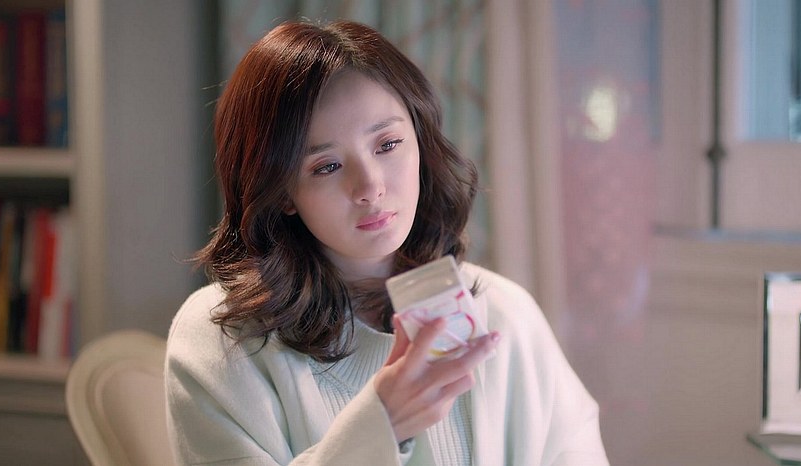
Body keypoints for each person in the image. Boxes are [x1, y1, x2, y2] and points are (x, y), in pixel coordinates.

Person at [165, 19, 609, 466]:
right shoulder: (221, 340)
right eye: (326, 166)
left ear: (420, 141)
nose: (370, 186)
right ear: (281, 193)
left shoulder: (503, 313)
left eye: (388, 144)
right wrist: (381, 427)